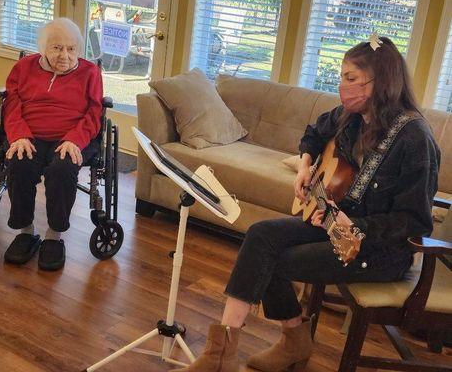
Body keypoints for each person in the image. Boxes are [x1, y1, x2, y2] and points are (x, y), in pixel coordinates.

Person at [172, 36, 440, 372]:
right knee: (260, 236)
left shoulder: (415, 138)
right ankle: (225, 352)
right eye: (342, 77)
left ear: (381, 82)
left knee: (272, 260)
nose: (342, 86)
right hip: (335, 228)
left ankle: (288, 343)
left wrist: (358, 226)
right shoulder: (352, 116)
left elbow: (414, 222)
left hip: (379, 252)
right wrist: (305, 165)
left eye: (350, 79)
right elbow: (313, 133)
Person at [2, 18, 103, 271]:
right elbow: (12, 104)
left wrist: (74, 139)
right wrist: (19, 135)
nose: (65, 55)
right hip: (29, 136)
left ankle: (54, 236)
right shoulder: (23, 68)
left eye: (71, 49)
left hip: (71, 138)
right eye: (57, 48)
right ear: (43, 49)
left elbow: (94, 112)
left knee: (62, 170)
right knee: (19, 163)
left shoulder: (90, 72)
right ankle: (26, 232)